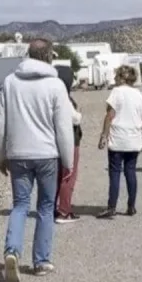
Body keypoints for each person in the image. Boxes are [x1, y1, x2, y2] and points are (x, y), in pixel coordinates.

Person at [0, 38, 75, 282]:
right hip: (47, 154)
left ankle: (12, 251)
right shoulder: (55, 85)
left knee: (20, 205)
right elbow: (63, 127)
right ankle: (41, 261)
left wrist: (1, 154)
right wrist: (68, 160)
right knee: (46, 207)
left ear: (28, 54)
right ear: (49, 55)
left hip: (18, 153)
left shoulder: (11, 82)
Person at [97, 65, 142, 219]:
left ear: (121, 77)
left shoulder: (117, 92)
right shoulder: (138, 94)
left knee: (115, 173)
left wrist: (103, 136)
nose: (115, 79)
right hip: (134, 139)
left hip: (118, 139)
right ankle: (131, 206)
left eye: (116, 76)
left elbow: (110, 115)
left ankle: (112, 206)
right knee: (130, 171)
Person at [54, 70, 83, 224]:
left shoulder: (50, 94)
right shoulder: (64, 97)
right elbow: (74, 119)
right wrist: (79, 113)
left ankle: (52, 207)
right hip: (70, 141)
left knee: (57, 176)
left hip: (54, 142)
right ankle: (64, 211)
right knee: (69, 175)